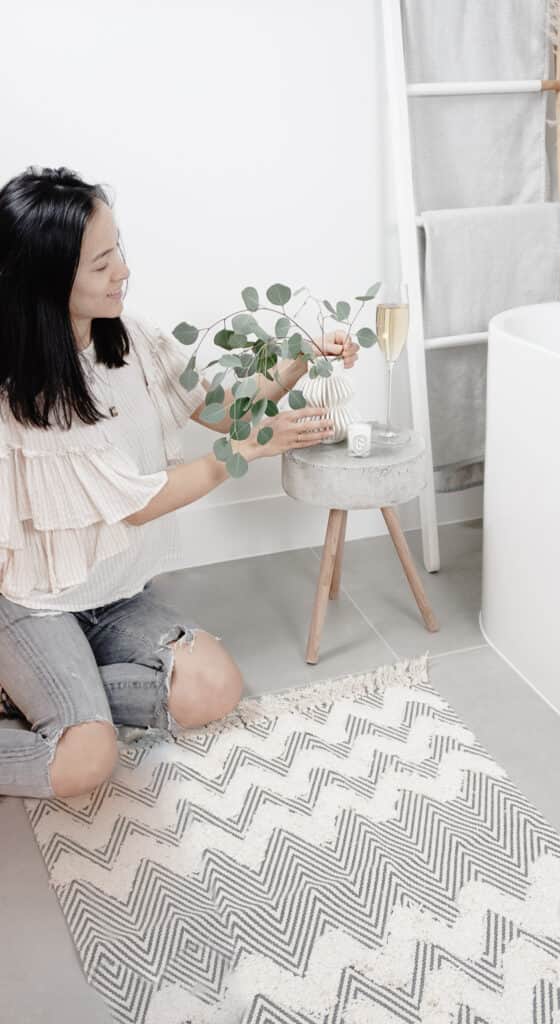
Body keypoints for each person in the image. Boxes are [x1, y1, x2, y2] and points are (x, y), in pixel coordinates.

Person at [0, 165, 358, 800]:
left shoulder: (130, 339)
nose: (124, 273)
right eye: (102, 264)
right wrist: (238, 454)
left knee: (214, 687)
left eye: (120, 252)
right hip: (32, 598)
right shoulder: (23, 393)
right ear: (48, 279)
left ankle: (45, 697)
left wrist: (305, 355)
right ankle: (62, 710)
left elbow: (222, 408)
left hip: (110, 591)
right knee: (85, 763)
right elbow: (134, 507)